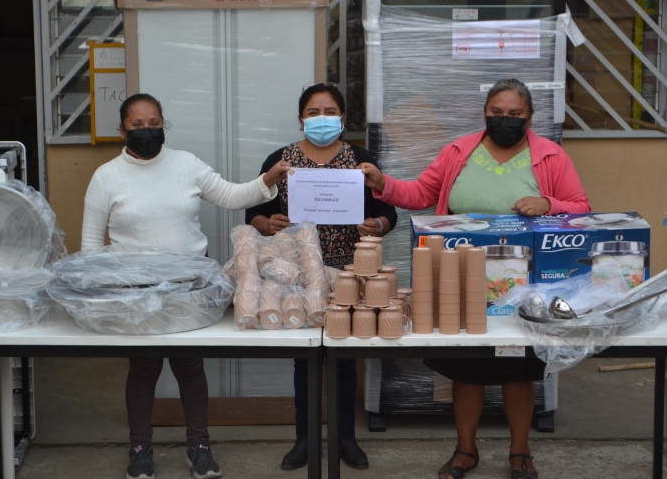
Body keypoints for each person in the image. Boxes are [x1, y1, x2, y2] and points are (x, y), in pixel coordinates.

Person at [360, 78, 591, 479]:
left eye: (515, 115)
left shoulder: (551, 157)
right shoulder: (458, 152)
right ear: (485, 114)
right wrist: (383, 184)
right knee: (467, 368)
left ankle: (521, 452)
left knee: (518, 367)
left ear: (530, 117)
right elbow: (420, 194)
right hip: (458, 279)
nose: (505, 121)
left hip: (524, 286)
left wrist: (548, 203)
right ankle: (465, 450)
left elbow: (582, 209)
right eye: (496, 114)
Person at [81, 93, 290, 479]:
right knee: (143, 370)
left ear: (163, 124)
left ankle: (199, 448)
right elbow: (92, 249)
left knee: (190, 367)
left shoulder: (185, 164)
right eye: (137, 125)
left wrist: (266, 182)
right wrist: (102, 300)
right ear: (122, 129)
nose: (147, 131)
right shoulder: (106, 177)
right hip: (136, 294)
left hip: (189, 288)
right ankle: (140, 449)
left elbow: (230, 195)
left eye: (154, 123)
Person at [245, 82, 397, 470]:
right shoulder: (282, 161)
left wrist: (376, 222)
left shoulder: (360, 160)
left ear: (343, 118)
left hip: (350, 273)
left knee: (345, 359)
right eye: (313, 113)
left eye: (330, 111)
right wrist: (268, 223)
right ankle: (305, 440)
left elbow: (390, 212)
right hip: (298, 274)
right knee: (305, 360)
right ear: (300, 121)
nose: (321, 119)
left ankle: (345, 438)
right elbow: (252, 212)